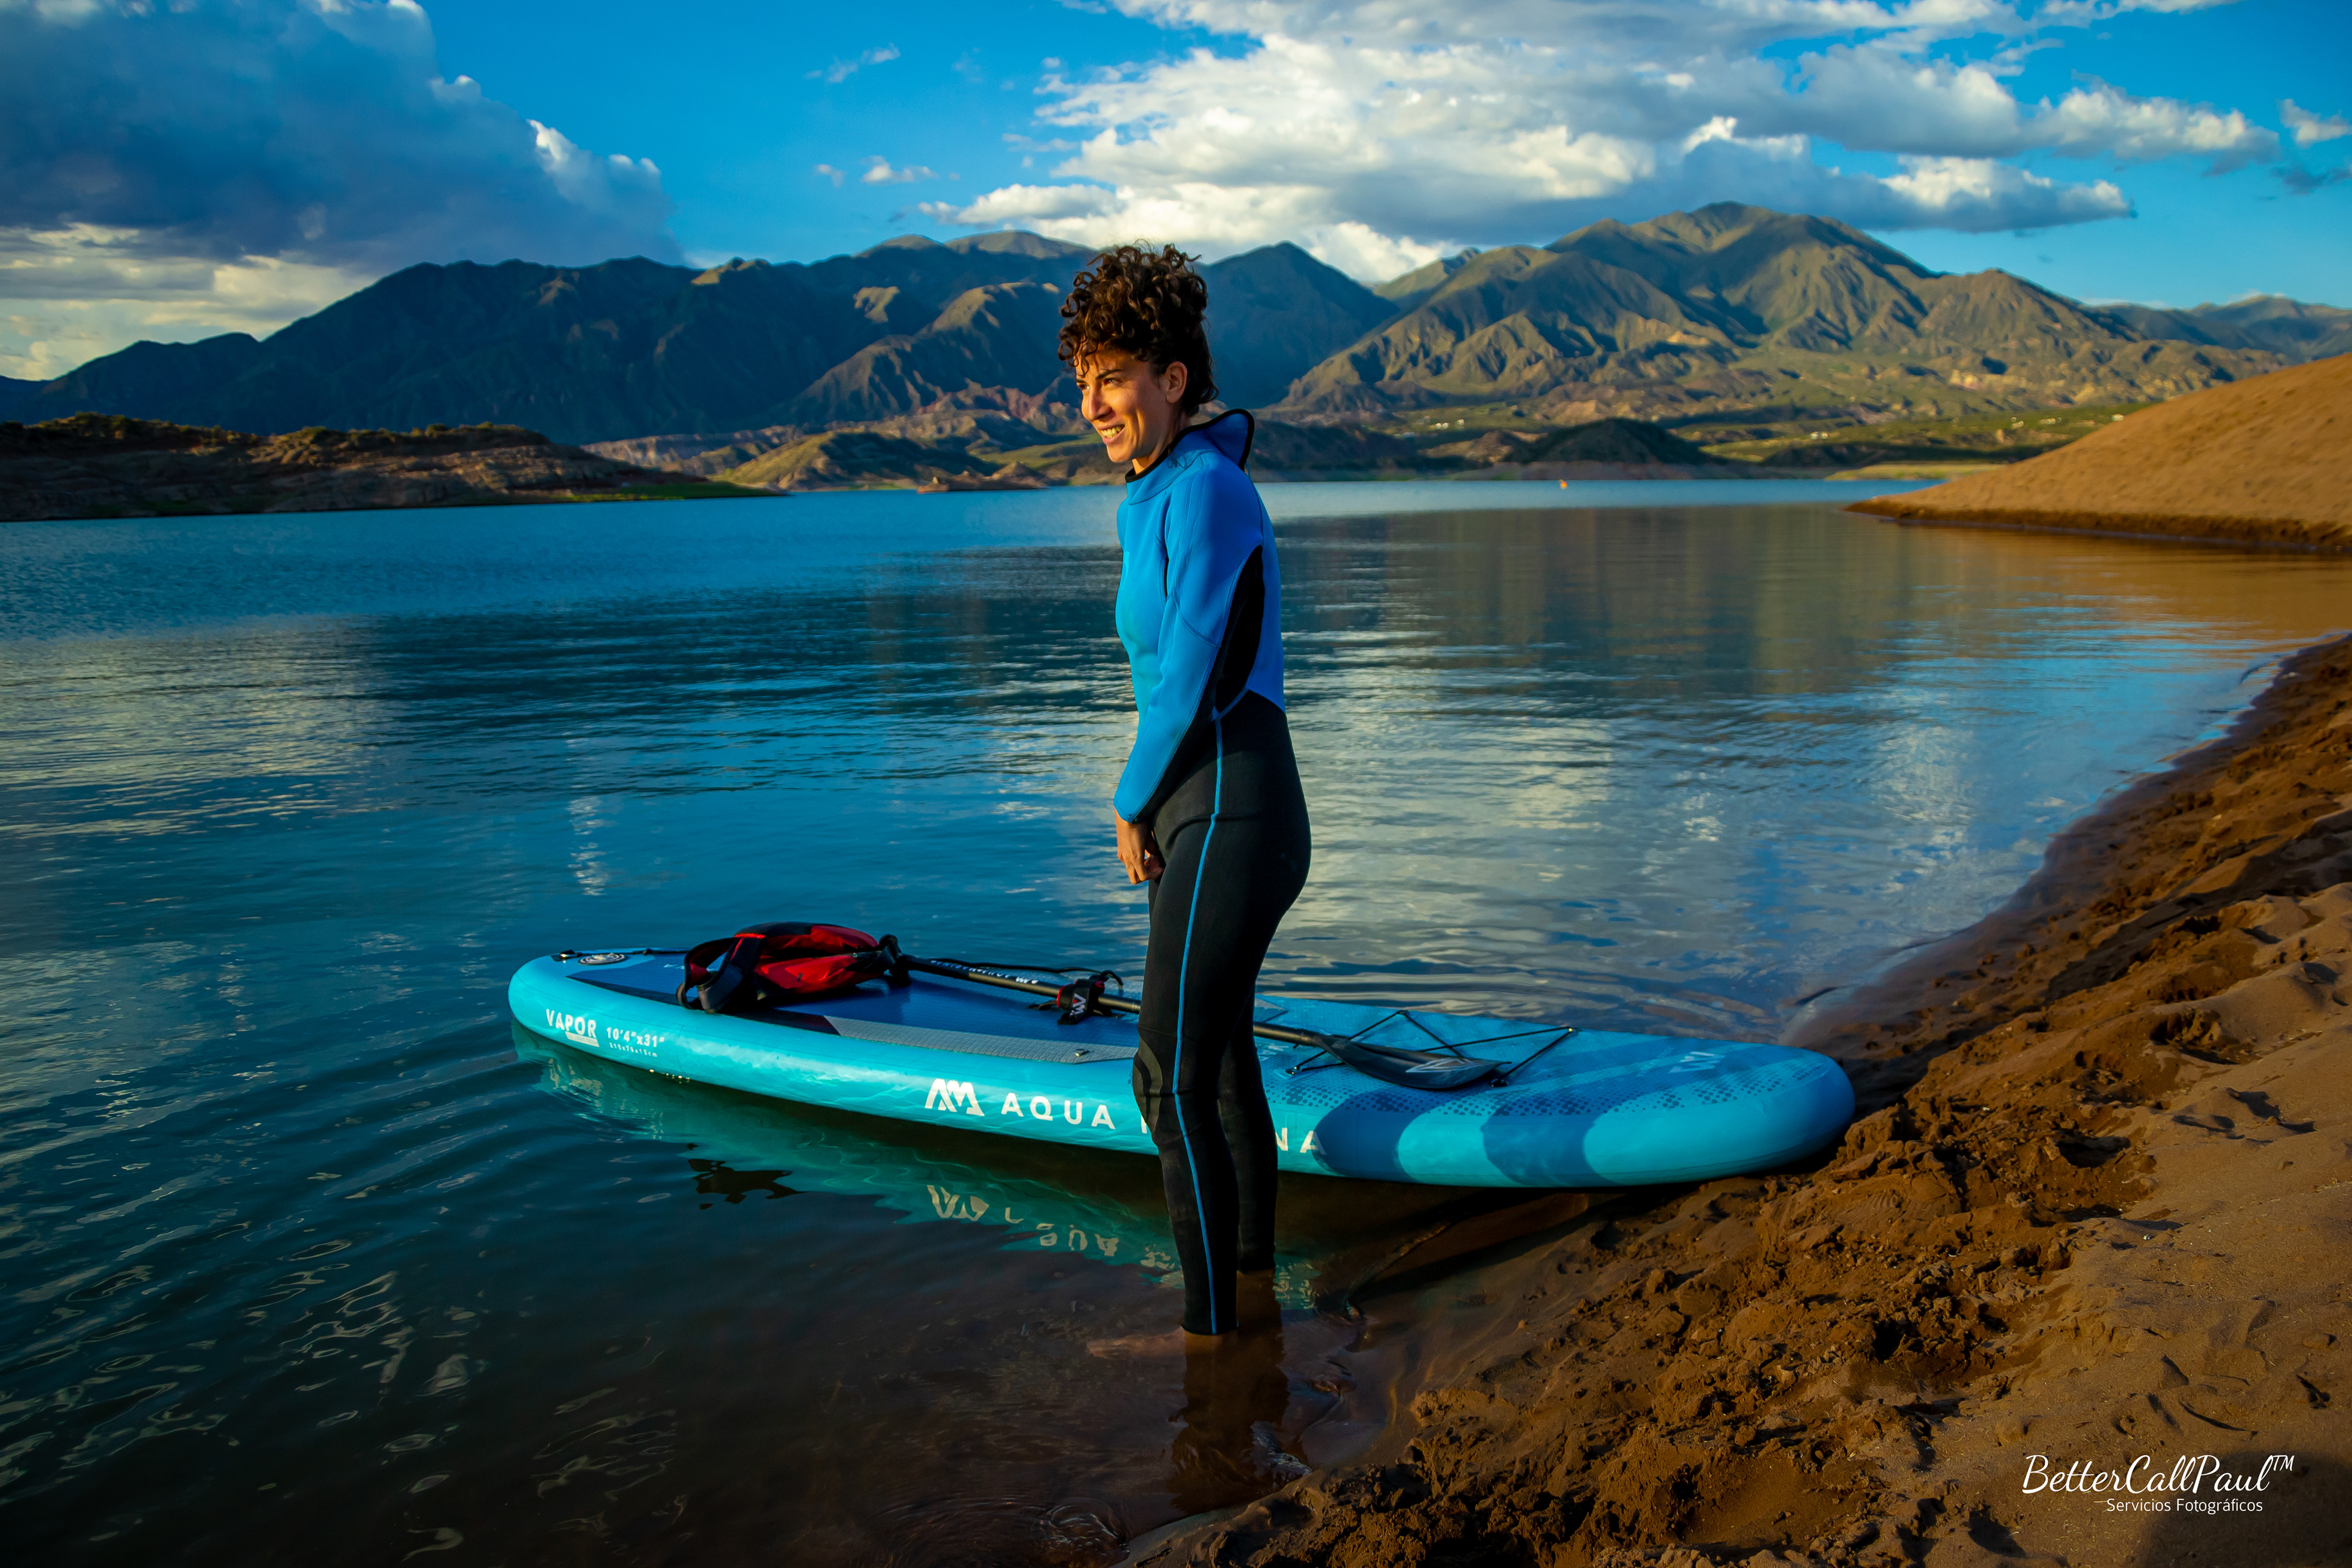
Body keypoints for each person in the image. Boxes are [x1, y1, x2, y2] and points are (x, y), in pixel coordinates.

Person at [1059, 244, 1313, 1344]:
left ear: (1172, 374)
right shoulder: (1151, 493)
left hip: (1235, 801)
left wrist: (1128, 803)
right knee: (1216, 1064)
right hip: (1199, 807)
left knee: (1164, 1081)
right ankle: (1252, 1289)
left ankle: (1215, 1355)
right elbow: (1164, 681)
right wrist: (1153, 809)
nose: (1094, 405)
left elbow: (1195, 672)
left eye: (1113, 377)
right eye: (1083, 383)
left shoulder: (1207, 488)